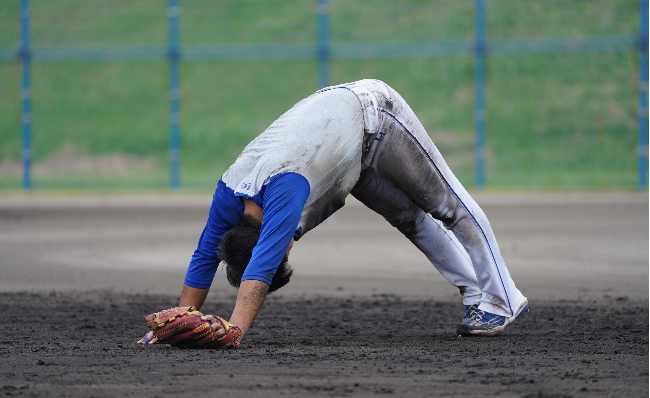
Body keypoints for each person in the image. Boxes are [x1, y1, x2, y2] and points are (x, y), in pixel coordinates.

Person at [138, 79, 528, 346]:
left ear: (263, 243)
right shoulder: (230, 196)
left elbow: (259, 271)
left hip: (375, 115)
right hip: (346, 152)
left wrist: (234, 330)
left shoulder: (283, 193)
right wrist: (174, 322)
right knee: (410, 220)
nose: (286, 252)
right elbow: (205, 256)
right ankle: (476, 293)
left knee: (447, 205)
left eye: (278, 253)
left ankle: (503, 298)